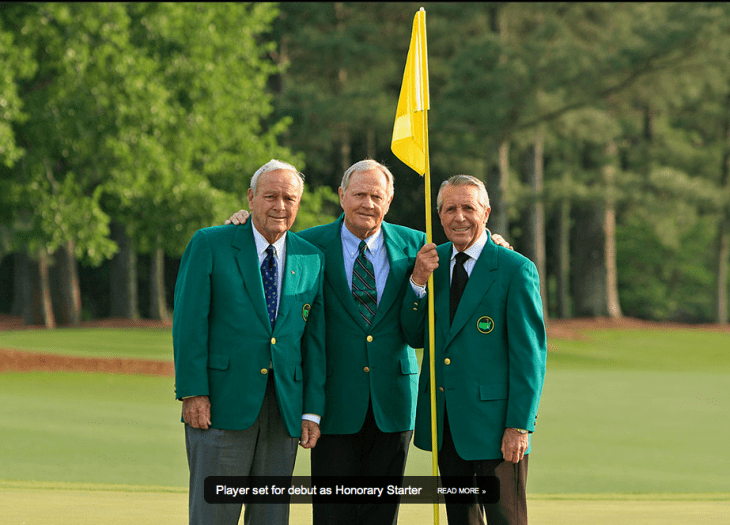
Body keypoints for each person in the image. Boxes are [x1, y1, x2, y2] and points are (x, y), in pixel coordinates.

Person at [225, 160, 513, 525]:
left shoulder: (418, 246)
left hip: (393, 403)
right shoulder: (308, 244)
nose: (368, 203)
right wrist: (239, 221)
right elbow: (264, 241)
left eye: (377, 195)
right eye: (359, 194)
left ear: (389, 200)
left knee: (381, 514)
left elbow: (470, 249)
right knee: (332, 514)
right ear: (342, 196)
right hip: (333, 403)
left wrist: (498, 243)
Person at [173, 159, 326, 525]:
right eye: (270, 196)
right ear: (251, 197)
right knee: (214, 515)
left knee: (272, 517)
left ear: (298, 204)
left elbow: (314, 343)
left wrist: (311, 411)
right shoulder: (211, 243)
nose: (280, 206)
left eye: (289, 198)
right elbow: (189, 324)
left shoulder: (311, 258)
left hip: (284, 410)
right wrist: (193, 392)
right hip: (222, 405)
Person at [401, 174, 547, 525]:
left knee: (505, 520)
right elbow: (412, 334)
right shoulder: (431, 265)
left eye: (468, 207)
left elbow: (530, 358)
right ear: (439, 216)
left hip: (497, 429)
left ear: (487, 211)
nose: (459, 216)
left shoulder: (515, 269)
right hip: (447, 424)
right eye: (450, 208)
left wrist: (519, 426)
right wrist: (417, 282)